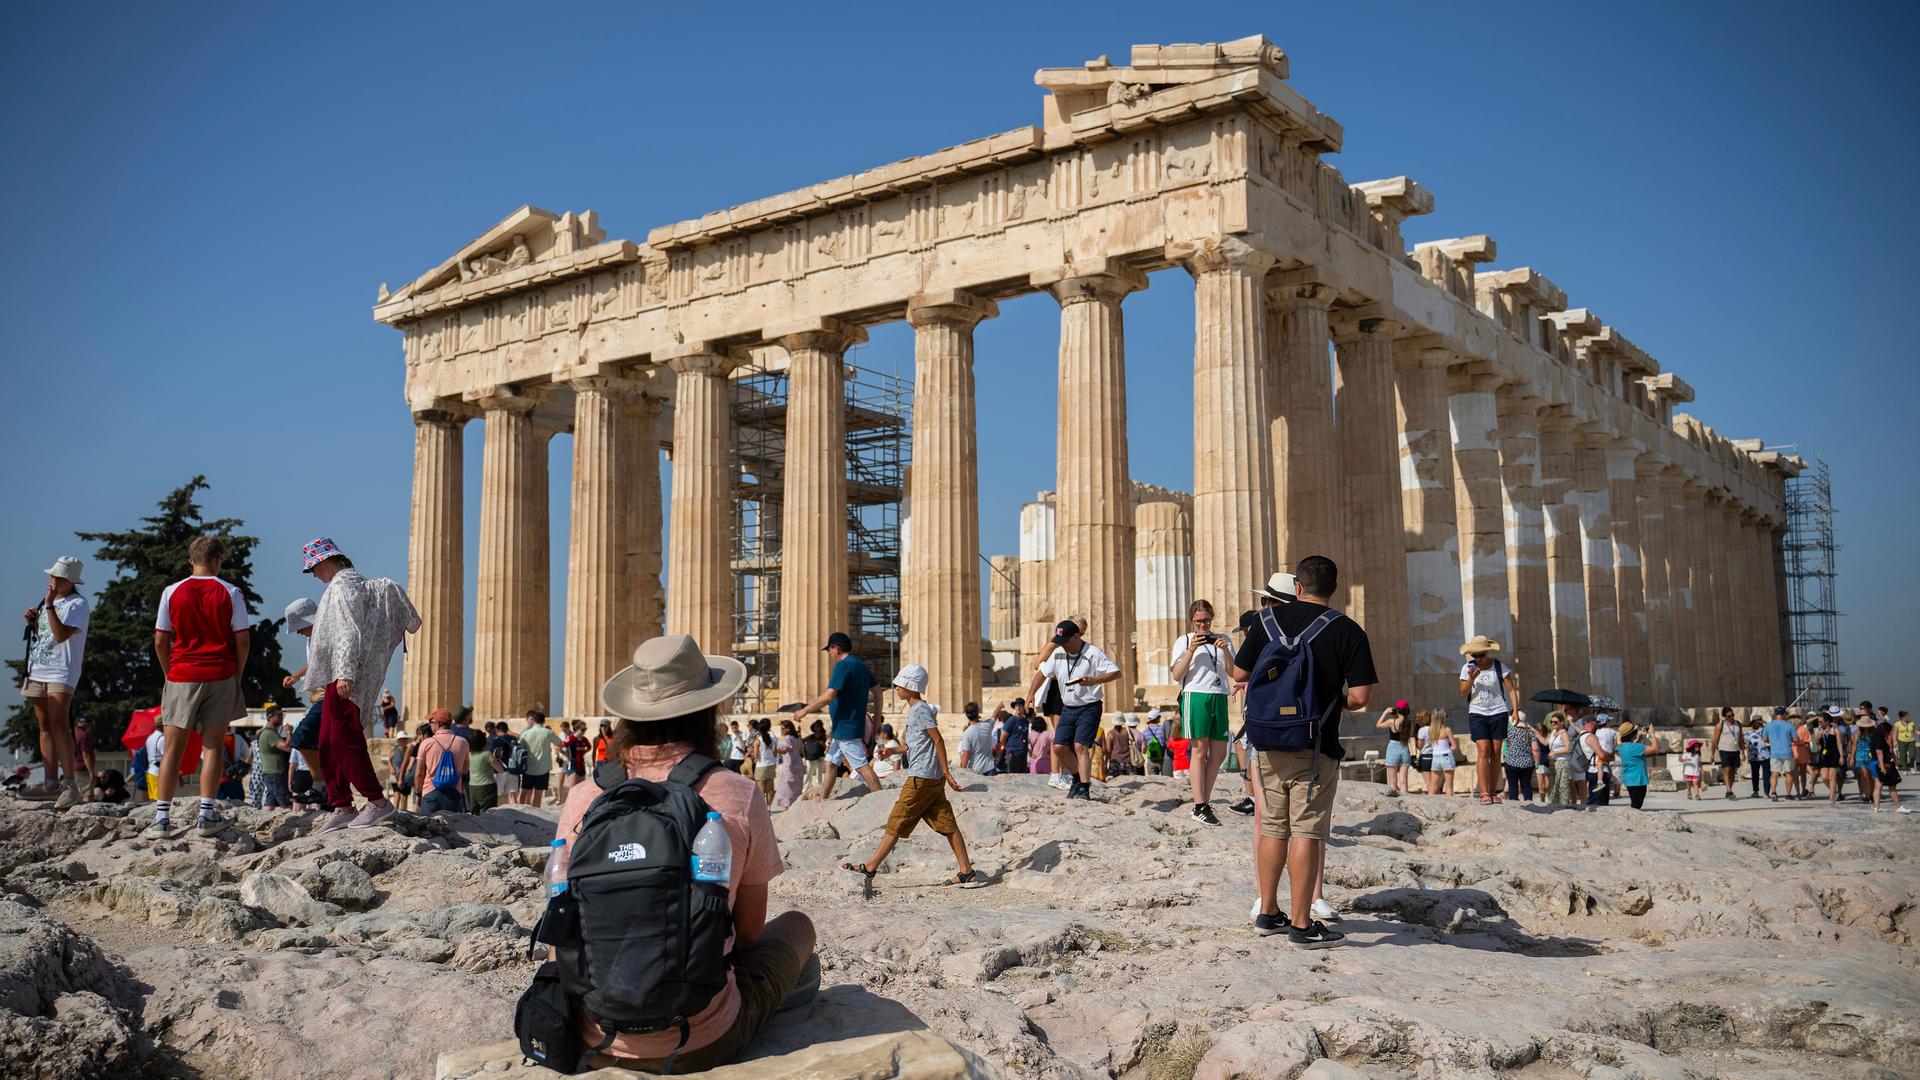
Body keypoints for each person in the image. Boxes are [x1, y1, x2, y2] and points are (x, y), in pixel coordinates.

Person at [556, 634, 815, 1073]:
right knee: (797, 927)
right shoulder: (737, 793)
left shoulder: (584, 796)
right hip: (700, 1039)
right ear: (708, 710)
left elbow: (560, 921)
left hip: (595, 1033)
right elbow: (749, 934)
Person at [1231, 556, 1374, 949]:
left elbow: (1239, 675)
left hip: (1267, 740)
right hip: (1316, 743)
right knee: (1307, 832)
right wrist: (1333, 700)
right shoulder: (1347, 630)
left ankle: (1267, 913)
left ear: (1297, 586)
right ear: (1333, 588)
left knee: (1273, 827)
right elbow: (1360, 696)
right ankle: (1300, 924)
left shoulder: (1265, 622)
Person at [300, 536, 417, 832]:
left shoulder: (344, 585)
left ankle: (378, 803)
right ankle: (342, 805)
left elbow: (349, 631)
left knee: (343, 738)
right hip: (338, 674)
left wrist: (345, 673)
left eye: (313, 568)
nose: (313, 574)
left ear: (326, 561)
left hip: (347, 676)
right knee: (326, 740)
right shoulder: (340, 585)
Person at [146, 537, 250, 837]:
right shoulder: (231, 592)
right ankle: (206, 814)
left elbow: (160, 639)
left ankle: (162, 818)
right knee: (213, 746)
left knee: (173, 750)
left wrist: (169, 672)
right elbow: (242, 639)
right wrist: (237, 673)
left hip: (181, 673)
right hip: (220, 672)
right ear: (218, 560)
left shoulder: (171, 592)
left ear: (191, 560)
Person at [840, 663, 979, 887]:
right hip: (930, 779)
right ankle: (967, 872)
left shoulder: (921, 710)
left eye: (900, 684)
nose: (896, 687)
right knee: (947, 824)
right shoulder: (916, 710)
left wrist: (946, 771)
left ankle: (870, 868)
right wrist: (892, 750)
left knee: (896, 820)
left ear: (910, 686)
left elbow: (938, 740)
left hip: (921, 777)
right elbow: (915, 744)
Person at [21, 556, 91, 807]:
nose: (52, 580)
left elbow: (61, 635)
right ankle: (50, 783)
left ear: (69, 581)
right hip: (39, 667)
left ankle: (70, 784)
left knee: (60, 724)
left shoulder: (78, 604)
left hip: (62, 671)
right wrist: (34, 618)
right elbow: (47, 635)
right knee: (44, 725)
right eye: (52, 576)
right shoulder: (49, 602)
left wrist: (48, 606)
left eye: (58, 577)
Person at [1027, 619, 1121, 801]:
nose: (1063, 646)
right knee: (1059, 746)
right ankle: (1077, 779)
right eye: (1060, 642)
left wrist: (1095, 680)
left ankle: (1084, 788)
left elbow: (1116, 672)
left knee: (1080, 746)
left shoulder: (1093, 653)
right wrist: (1031, 694)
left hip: (1089, 706)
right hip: (1068, 706)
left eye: (1066, 641)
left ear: (1077, 636)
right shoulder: (1058, 653)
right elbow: (1041, 673)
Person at [795, 632, 883, 800]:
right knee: (830, 763)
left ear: (836, 648)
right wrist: (877, 719)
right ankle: (824, 800)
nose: (829, 653)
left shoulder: (842, 666)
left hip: (845, 727)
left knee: (862, 766)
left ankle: (882, 800)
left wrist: (804, 711)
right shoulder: (861, 665)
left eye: (829, 649)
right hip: (844, 727)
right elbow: (878, 692)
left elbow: (828, 696)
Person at [1171, 598, 1235, 823]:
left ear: (1212, 618)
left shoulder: (1224, 639)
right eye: (1198, 621)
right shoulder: (1184, 640)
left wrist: (1226, 651)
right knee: (1199, 750)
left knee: (1218, 754)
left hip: (1220, 695)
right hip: (1195, 695)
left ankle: (1204, 802)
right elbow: (1177, 674)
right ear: (1191, 621)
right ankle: (1199, 805)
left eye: (1206, 620)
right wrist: (1191, 650)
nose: (1202, 625)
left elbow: (1234, 673)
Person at [1458, 635, 1521, 805]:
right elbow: (1463, 691)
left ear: (1487, 652)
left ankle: (1493, 791)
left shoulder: (1499, 666)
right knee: (1483, 750)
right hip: (1477, 712)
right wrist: (1471, 677)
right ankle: (1484, 792)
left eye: (1481, 655)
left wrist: (1515, 710)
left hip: (1498, 711)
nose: (1478, 658)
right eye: (1474, 656)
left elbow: (1511, 690)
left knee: (1496, 752)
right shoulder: (1467, 668)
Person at [414, 709, 470, 814]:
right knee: (454, 828)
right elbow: (465, 770)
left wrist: (418, 793)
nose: (430, 725)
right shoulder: (463, 742)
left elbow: (419, 773)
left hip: (431, 792)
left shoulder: (427, 743)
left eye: (431, 722)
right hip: (454, 792)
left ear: (437, 724)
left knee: (430, 828)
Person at [517, 710, 562, 808]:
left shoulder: (525, 734)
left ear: (533, 720)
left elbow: (520, 748)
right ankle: (535, 814)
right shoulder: (548, 733)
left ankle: (520, 811)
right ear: (544, 720)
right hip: (543, 769)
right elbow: (559, 743)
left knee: (524, 792)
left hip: (528, 768)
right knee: (538, 794)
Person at [254, 704, 292, 809]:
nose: (282, 718)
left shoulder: (268, 733)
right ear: (270, 717)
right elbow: (286, 746)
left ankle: (264, 823)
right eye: (279, 715)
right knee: (286, 802)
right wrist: (289, 732)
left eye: (282, 715)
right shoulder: (269, 734)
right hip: (275, 773)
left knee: (270, 803)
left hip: (270, 773)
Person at [1615, 721, 1657, 809]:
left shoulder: (1622, 747)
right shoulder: (1635, 747)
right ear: (1632, 735)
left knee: (1635, 804)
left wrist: (1641, 737)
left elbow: (1633, 748)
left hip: (1629, 779)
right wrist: (1652, 734)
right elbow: (1655, 749)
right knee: (1636, 806)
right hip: (1638, 780)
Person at [1501, 709, 1540, 803]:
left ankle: (1514, 804)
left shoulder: (1509, 731)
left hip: (1511, 762)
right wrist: (1537, 763)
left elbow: (1503, 743)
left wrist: (1505, 755)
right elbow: (1535, 749)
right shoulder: (1529, 732)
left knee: (1512, 785)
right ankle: (1529, 802)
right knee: (1526, 785)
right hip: (1527, 763)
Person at [1377, 702, 1414, 797]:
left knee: (1392, 783)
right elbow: (1409, 736)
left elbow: (1378, 725)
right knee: (1403, 783)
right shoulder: (1410, 723)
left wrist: (1385, 712)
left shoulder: (1391, 722)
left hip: (1393, 749)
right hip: (1405, 749)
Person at [1871, 719, 1908, 813]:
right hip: (1882, 764)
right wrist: (1882, 766)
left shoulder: (1874, 738)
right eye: (1889, 731)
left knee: (1878, 786)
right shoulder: (1879, 740)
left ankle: (1876, 807)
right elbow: (1879, 753)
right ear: (1885, 731)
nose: (1890, 733)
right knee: (1892, 786)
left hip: (1875, 763)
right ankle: (1898, 806)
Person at [1763, 707, 1797, 802]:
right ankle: (1788, 794)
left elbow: (1765, 739)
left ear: (1775, 714)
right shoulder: (1790, 726)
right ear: (1784, 714)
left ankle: (1773, 792)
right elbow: (1795, 739)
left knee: (1774, 774)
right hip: (1787, 752)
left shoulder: (1768, 726)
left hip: (1774, 753)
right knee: (1788, 773)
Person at [1710, 706, 1743, 800]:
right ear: (1724, 716)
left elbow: (1740, 738)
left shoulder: (1738, 724)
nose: (1731, 717)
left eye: (1732, 715)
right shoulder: (1720, 725)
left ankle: (1729, 790)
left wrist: (1743, 751)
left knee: (1733, 771)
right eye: (1729, 716)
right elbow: (1714, 740)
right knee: (1727, 770)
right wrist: (1712, 753)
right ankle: (1729, 790)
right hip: (1724, 750)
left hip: (1735, 750)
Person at [466, 727, 501, 813]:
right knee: (488, 813)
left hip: (472, 786)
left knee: (475, 813)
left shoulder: (468, 755)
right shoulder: (487, 755)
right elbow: (500, 769)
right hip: (487, 787)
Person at [773, 719, 804, 809]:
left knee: (787, 785)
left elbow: (785, 750)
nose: (781, 730)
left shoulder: (788, 738)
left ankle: (786, 806)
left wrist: (776, 750)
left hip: (790, 765)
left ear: (788, 729)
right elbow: (801, 748)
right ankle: (794, 804)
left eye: (782, 728)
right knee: (797, 785)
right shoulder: (797, 737)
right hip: (798, 763)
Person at [996, 699, 1032, 774]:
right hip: (1013, 754)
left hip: (1023, 754)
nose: (1018, 708)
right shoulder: (1011, 720)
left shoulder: (1025, 721)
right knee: (1012, 777)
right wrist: (1008, 748)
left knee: (1022, 777)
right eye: (1016, 705)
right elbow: (1002, 738)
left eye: (1021, 706)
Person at [488, 722, 520, 804]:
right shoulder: (513, 739)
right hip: (513, 770)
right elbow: (518, 736)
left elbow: (490, 755)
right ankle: (514, 815)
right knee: (512, 795)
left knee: (499, 795)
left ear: (497, 730)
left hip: (500, 771)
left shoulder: (496, 741)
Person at [1425, 713, 1457, 796]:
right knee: (1449, 786)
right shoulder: (1447, 730)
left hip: (1435, 758)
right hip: (1446, 756)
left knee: (1433, 787)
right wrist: (1449, 747)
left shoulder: (1430, 731)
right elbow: (1454, 746)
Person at [957, 708, 995, 774]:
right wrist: (999, 707)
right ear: (978, 714)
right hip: (990, 767)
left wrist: (962, 771)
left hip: (976, 769)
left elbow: (965, 755)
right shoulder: (987, 725)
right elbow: (995, 715)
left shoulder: (967, 733)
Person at [1852, 712, 1879, 807]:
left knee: (1871, 776)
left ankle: (1871, 793)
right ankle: (1866, 794)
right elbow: (1854, 745)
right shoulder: (1858, 733)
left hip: (1871, 755)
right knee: (1864, 775)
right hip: (1860, 755)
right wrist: (1852, 757)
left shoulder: (1874, 732)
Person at [750, 718, 779, 803]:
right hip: (771, 764)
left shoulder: (757, 741)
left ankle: (763, 810)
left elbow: (756, 756)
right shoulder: (773, 739)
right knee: (770, 789)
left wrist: (753, 756)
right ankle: (769, 808)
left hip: (761, 766)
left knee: (761, 791)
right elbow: (775, 754)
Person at [389, 730, 417, 812]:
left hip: (405, 776)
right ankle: (395, 811)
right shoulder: (394, 749)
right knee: (397, 794)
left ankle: (404, 812)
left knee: (405, 795)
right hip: (395, 775)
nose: (403, 741)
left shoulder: (409, 750)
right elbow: (389, 760)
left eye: (404, 739)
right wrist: (391, 768)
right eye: (401, 739)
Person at [800, 720, 826, 797]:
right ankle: (805, 789)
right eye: (815, 726)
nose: (817, 728)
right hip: (810, 758)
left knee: (819, 774)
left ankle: (819, 789)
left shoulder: (824, 736)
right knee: (808, 773)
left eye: (818, 726)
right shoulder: (811, 736)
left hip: (820, 758)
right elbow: (802, 740)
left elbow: (827, 745)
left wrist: (823, 744)